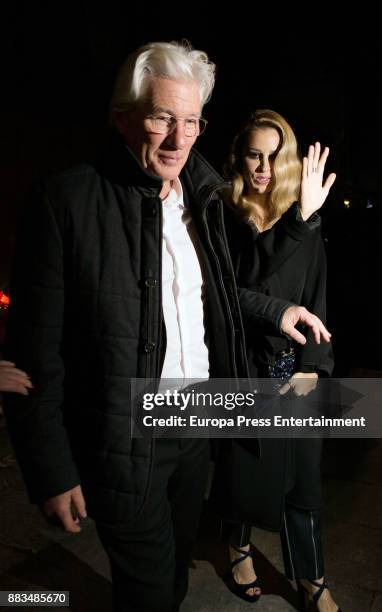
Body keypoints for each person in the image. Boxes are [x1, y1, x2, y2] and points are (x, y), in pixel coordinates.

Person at [3, 45, 331, 612]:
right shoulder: (67, 202)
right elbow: (34, 353)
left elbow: (218, 292)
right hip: (128, 438)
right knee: (151, 591)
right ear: (124, 116)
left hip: (196, 426)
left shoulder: (201, 200)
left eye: (191, 121)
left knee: (173, 574)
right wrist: (51, 470)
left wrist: (275, 311)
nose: (179, 139)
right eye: (162, 118)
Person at [212, 109, 340, 611]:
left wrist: (314, 363)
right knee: (245, 471)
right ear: (239, 156)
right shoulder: (224, 212)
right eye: (253, 154)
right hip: (244, 368)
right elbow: (241, 289)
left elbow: (317, 297)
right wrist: (299, 223)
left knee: (304, 480)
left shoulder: (301, 217)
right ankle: (237, 546)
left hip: (293, 369)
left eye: (273, 155)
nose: (263, 166)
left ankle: (311, 578)